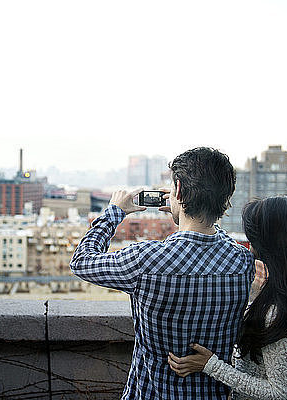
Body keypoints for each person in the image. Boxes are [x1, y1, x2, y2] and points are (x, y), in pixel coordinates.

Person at [70, 147, 255, 399]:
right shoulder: (242, 263)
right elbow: (214, 242)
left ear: (177, 191)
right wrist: (188, 209)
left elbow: (82, 261)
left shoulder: (145, 260)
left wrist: (115, 212)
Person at [167, 195, 287, 400]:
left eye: (252, 235)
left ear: (269, 243)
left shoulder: (276, 311)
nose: (248, 241)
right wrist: (185, 219)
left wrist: (211, 365)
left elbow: (282, 393)